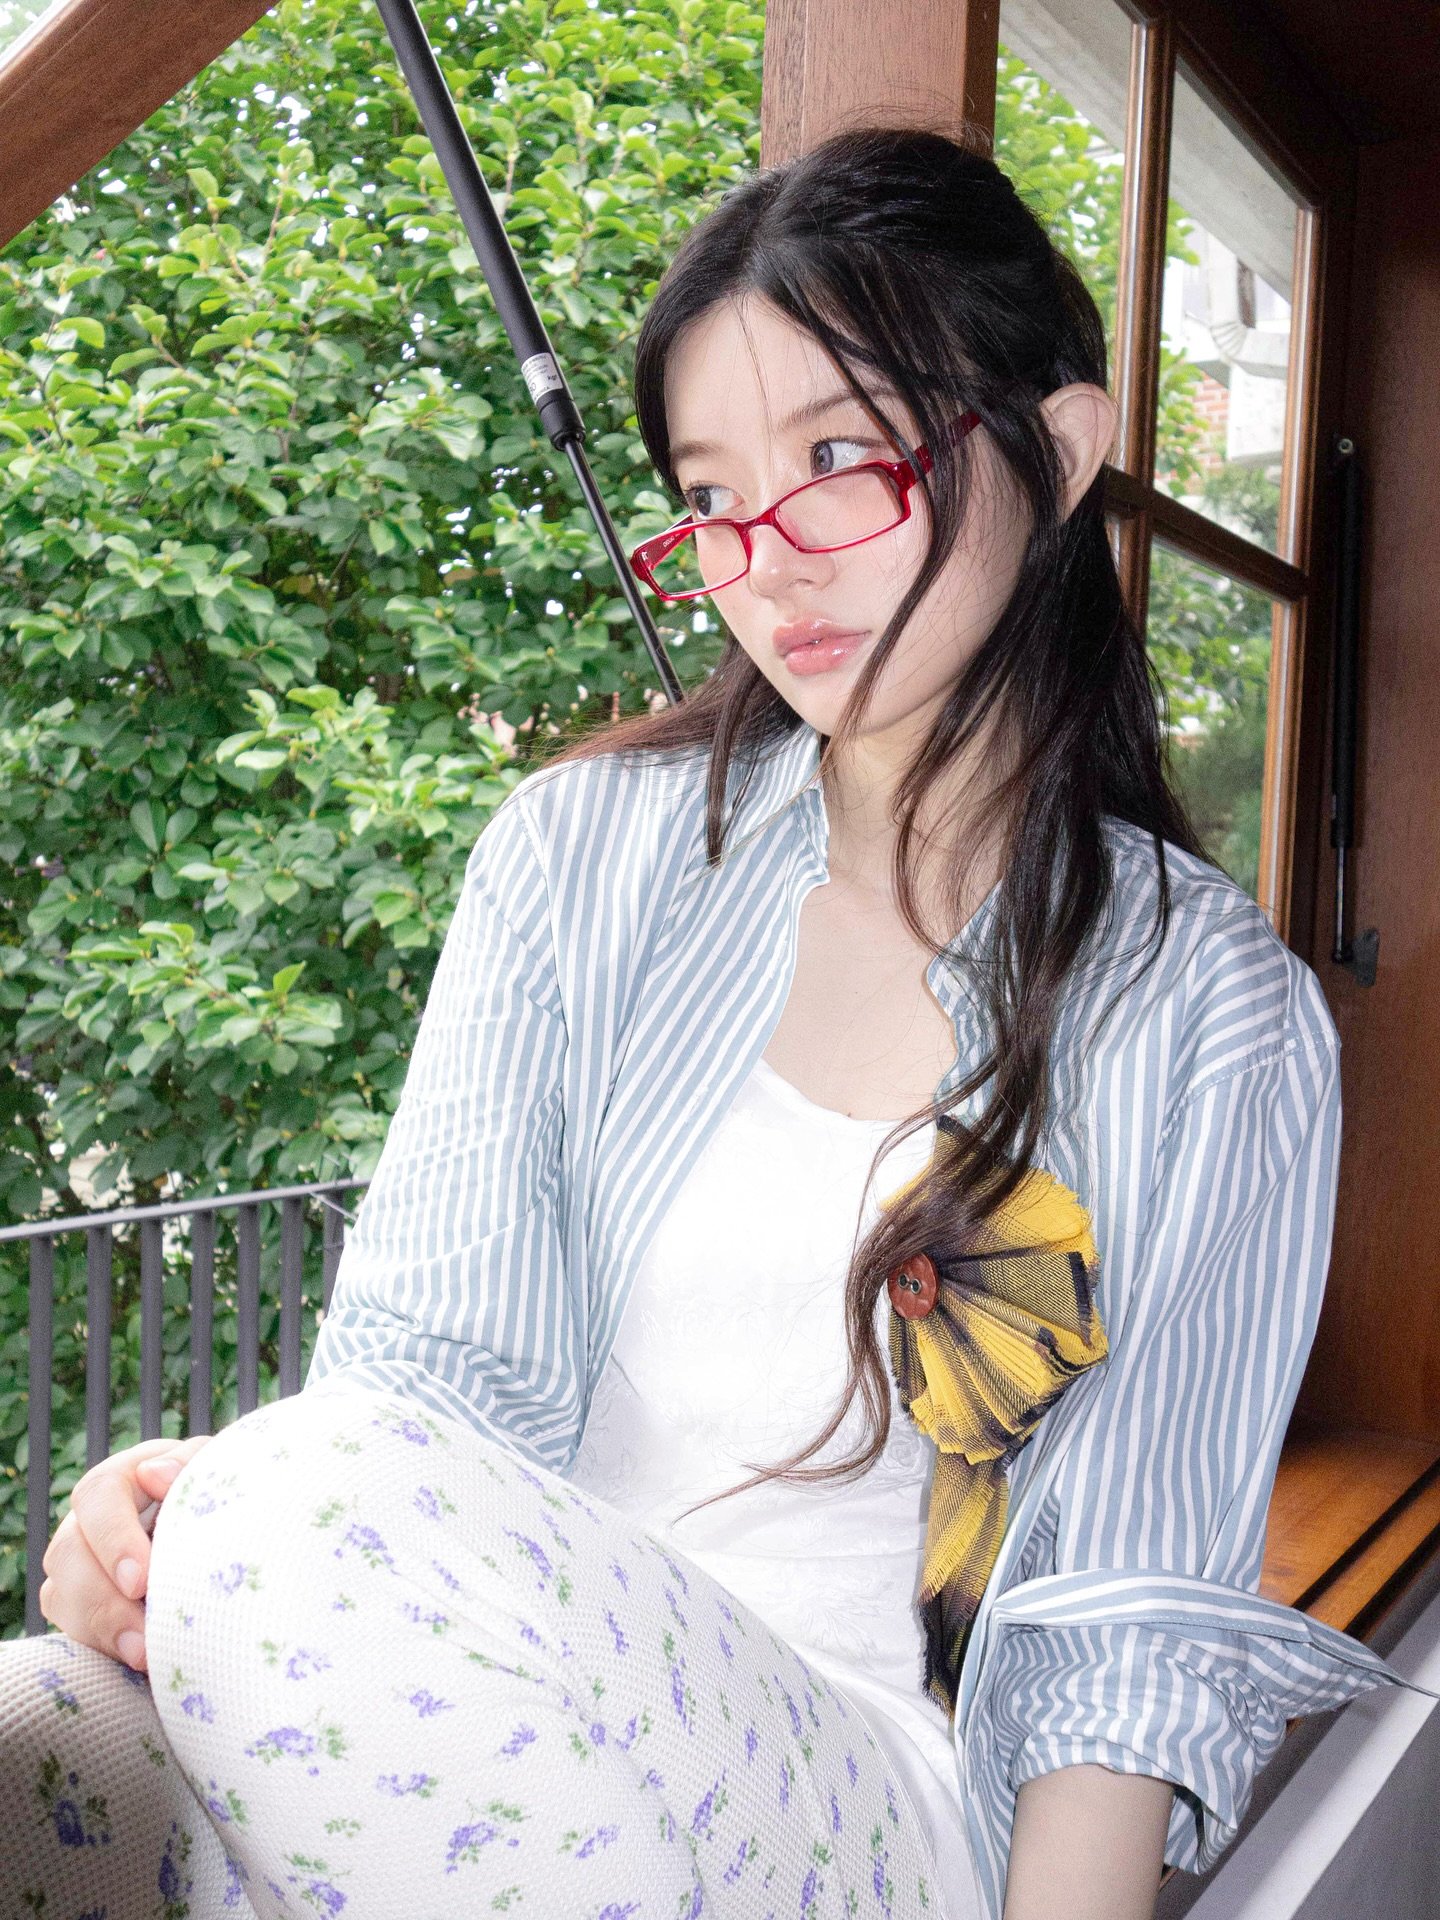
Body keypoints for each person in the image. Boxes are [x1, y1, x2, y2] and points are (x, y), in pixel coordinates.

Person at [8, 120, 1431, 1920]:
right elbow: (419, 1384)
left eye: (838, 458)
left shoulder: (1209, 1011)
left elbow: (1119, 1642)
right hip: (500, 1740)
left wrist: (271, 1521)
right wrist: (185, 1545)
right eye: (711, 490)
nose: (768, 559)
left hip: (879, 1803)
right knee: (36, 1720)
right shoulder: (580, 858)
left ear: (1061, 452)